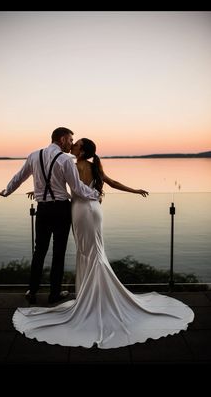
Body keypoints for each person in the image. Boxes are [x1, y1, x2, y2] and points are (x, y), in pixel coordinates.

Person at [12, 138, 194, 349]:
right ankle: (95, 295)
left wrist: (41, 192)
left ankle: (92, 298)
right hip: (94, 210)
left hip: (80, 210)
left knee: (87, 252)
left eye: (76, 144)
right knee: (95, 251)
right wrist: (135, 190)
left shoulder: (72, 165)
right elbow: (112, 183)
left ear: (80, 151)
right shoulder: (93, 166)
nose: (72, 145)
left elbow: (65, 186)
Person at [0, 128, 100, 305]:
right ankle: (54, 294)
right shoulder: (65, 160)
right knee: (58, 253)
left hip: (43, 210)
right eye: (70, 140)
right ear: (62, 139)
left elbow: (19, 177)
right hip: (61, 210)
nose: (71, 144)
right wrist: (95, 194)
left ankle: (32, 290)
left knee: (39, 251)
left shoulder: (33, 156)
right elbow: (77, 188)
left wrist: (7, 191)